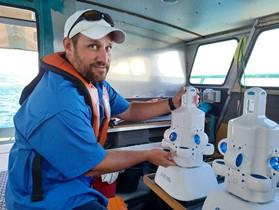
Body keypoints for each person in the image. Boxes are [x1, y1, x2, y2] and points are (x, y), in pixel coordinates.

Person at [5, 9, 188, 210]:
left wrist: (172, 103)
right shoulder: (60, 103)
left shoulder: (94, 84)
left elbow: (130, 111)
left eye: (108, 47)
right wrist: (147, 154)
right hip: (44, 197)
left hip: (73, 182)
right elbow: (93, 165)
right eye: (93, 46)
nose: (104, 57)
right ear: (68, 46)